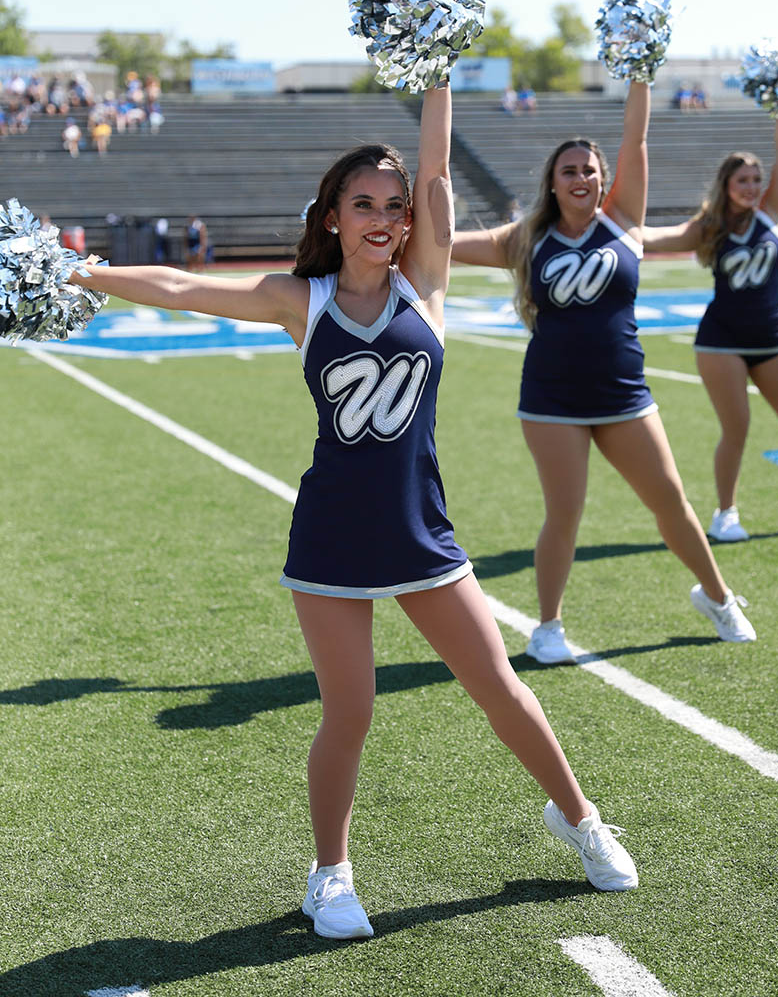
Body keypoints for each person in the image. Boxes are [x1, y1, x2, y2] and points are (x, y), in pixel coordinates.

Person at [69, 83, 638, 940]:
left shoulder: (426, 284)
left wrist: (436, 70)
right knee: (352, 710)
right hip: (332, 535)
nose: (382, 218)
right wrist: (78, 270)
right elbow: (181, 286)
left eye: (394, 206)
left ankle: (580, 817)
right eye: (362, 204)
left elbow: (437, 165)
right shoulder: (300, 299)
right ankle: (329, 875)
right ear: (332, 216)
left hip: (420, 530)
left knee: (499, 685)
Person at [451, 80, 756, 665]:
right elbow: (446, 244)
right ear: (553, 181)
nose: (580, 178)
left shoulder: (623, 221)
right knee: (564, 513)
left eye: (589, 170)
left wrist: (640, 73)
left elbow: (635, 137)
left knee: (671, 502)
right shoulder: (525, 238)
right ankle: (548, 628)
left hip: (624, 394)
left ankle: (718, 597)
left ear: (603, 178)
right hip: (551, 398)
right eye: (569, 171)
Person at [642, 114, 778, 541]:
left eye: (756, 180)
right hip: (721, 343)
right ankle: (725, 514)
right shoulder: (709, 227)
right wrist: (613, 224)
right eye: (742, 180)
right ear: (726, 185)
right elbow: (657, 238)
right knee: (737, 427)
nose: (751, 187)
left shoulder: (771, 214)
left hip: (772, 340)